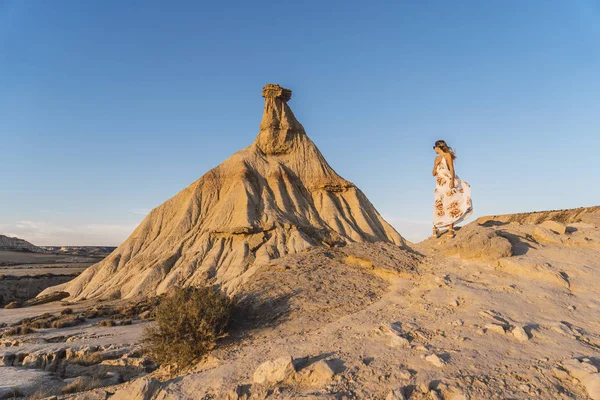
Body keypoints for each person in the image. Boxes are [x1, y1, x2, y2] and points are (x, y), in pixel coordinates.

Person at [432, 140, 473, 238]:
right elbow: (433, 174)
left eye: (435, 147)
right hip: (439, 185)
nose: (434, 150)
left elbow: (451, 169)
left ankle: (450, 228)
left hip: (448, 183)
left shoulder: (447, 156)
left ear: (439, 147)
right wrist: (435, 166)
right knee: (438, 204)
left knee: (450, 204)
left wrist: (452, 181)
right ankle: (435, 227)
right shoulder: (436, 159)